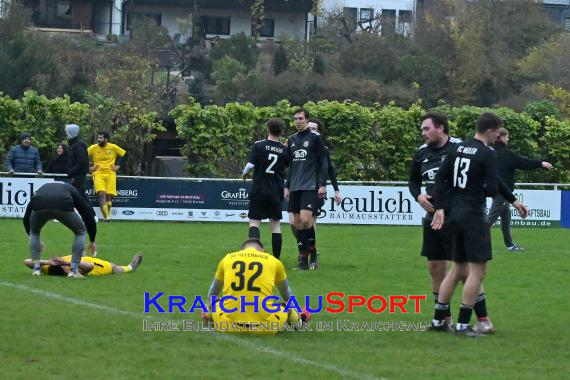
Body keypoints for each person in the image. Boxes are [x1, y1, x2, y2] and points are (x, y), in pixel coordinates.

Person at [430, 112, 528, 337]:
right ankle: (463, 325)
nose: (498, 137)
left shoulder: (457, 148)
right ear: (491, 131)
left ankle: (438, 320)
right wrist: (477, 187)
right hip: (473, 216)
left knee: (457, 269)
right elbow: (493, 189)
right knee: (478, 272)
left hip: (454, 215)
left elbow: (441, 178)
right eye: (497, 133)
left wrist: (513, 200)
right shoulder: (488, 153)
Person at [202, 239, 311, 335]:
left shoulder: (228, 259)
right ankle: (300, 321)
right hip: (267, 327)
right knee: (286, 306)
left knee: (215, 301)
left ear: (241, 250)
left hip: (227, 325)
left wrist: (209, 305)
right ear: (262, 251)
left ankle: (208, 313)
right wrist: (294, 308)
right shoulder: (273, 261)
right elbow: (286, 294)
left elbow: (213, 291)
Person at [487, 127, 553, 251]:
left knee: (506, 219)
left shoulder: (490, 152)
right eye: (507, 136)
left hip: (499, 192)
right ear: (500, 137)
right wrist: (541, 164)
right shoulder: (507, 155)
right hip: (502, 193)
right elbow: (524, 163)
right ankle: (472, 241)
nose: (508, 138)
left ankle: (510, 244)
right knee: (490, 220)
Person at [287, 118, 342, 264]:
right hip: (297, 188)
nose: (311, 131)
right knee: (294, 223)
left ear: (318, 132)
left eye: (314, 129)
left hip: (315, 189)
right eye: (309, 128)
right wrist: (287, 185)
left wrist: (336, 190)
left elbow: (330, 169)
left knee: (309, 221)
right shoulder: (297, 144)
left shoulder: (322, 149)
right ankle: (306, 248)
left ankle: (310, 255)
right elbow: (292, 166)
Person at [23, 182, 97, 279]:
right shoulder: (72, 190)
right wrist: (92, 240)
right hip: (63, 203)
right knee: (80, 232)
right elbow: (87, 214)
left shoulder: (42, 189)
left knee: (34, 232)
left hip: (40, 203)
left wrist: (31, 235)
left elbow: (26, 218)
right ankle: (73, 271)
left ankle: (36, 269)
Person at [284, 108, 328, 270]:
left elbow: (324, 162)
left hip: (310, 186)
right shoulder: (292, 140)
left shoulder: (315, 138)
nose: (297, 121)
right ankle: (303, 259)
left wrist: (322, 184)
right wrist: (287, 186)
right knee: (297, 224)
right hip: (294, 187)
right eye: (295, 118)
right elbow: (291, 167)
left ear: (306, 119)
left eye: (300, 118)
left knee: (305, 220)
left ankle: (313, 253)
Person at [242, 118, 289, 259]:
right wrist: (284, 148)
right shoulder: (284, 149)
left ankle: (254, 255)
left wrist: (244, 174)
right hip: (276, 191)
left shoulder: (258, 145)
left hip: (259, 190)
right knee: (275, 225)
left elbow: (250, 165)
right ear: (282, 131)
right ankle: (276, 260)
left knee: (254, 222)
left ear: (268, 129)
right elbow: (286, 166)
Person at [88, 131, 126, 222]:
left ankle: (107, 217)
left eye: (101, 138)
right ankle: (107, 217)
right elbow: (82, 156)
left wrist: (118, 165)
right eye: (98, 138)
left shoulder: (113, 147)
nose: (99, 140)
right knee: (101, 194)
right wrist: (89, 167)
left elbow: (124, 155)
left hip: (110, 173)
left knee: (109, 197)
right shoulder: (93, 148)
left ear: (106, 139)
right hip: (98, 174)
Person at [23, 252, 143, 277]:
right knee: (114, 268)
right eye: (65, 268)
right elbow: (89, 267)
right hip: (95, 266)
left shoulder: (48, 268)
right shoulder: (73, 272)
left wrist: (47, 262)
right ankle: (130, 267)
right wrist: (66, 262)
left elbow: (27, 261)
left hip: (80, 257)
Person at [65, 124, 90, 200]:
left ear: (71, 132)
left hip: (78, 176)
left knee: (80, 197)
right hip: (75, 176)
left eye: (67, 131)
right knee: (78, 197)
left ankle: (89, 212)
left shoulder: (79, 144)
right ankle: (88, 211)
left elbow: (82, 162)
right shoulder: (73, 144)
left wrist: (72, 173)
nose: (65, 133)